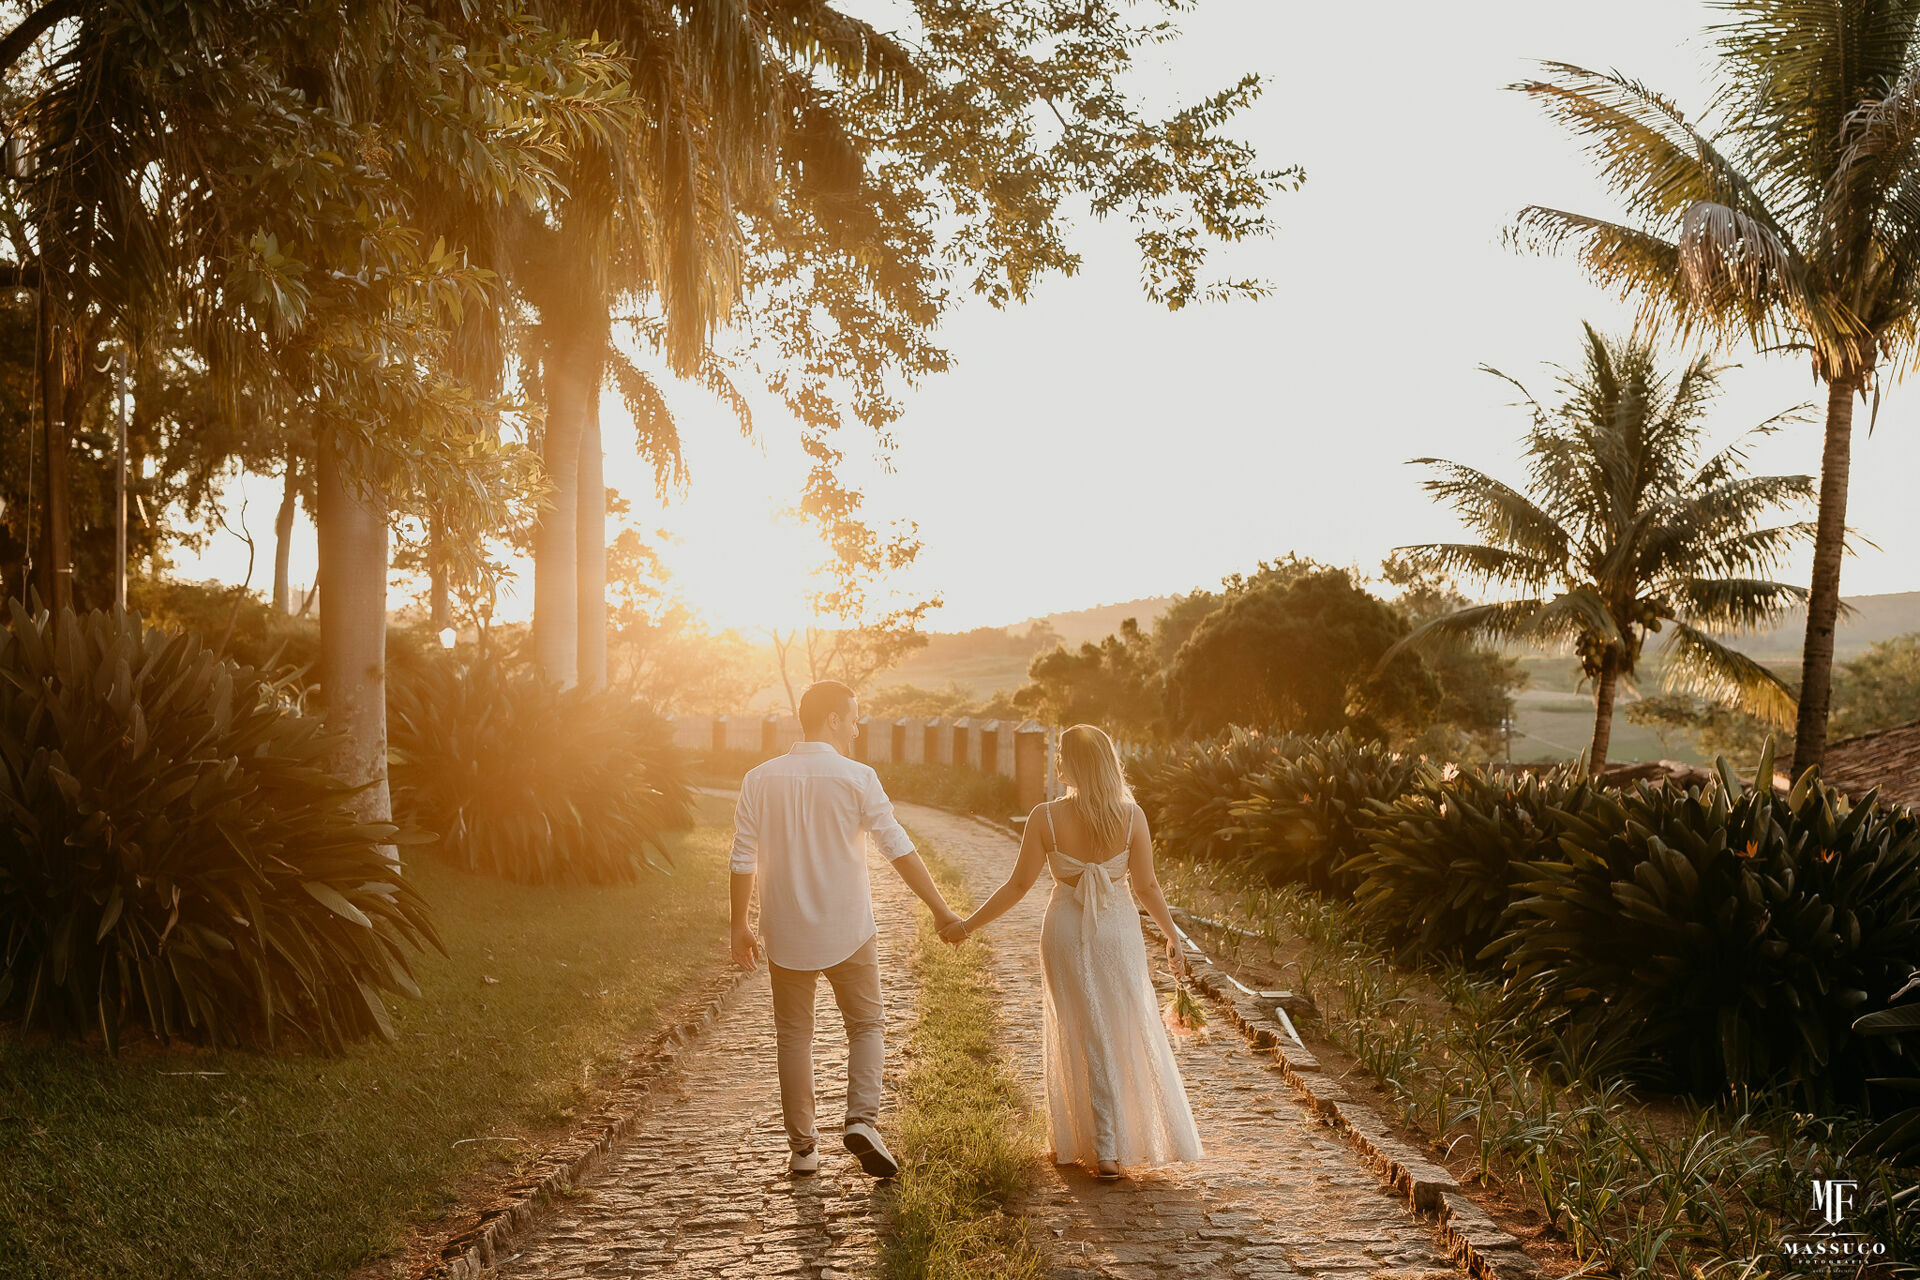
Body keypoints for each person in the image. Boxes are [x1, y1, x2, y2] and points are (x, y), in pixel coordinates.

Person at [943, 722, 1203, 1179]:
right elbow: (1147, 886)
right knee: (1120, 1027)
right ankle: (1113, 1142)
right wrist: (1171, 934)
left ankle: (1099, 1145)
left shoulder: (1044, 817)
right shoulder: (1132, 816)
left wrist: (968, 926)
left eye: (1061, 753)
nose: (1057, 761)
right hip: (1118, 931)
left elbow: (1018, 885)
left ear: (1074, 763)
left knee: (1083, 1030)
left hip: (1064, 928)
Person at [729, 680, 964, 1179]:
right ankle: (861, 1120)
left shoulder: (759, 778)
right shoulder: (858, 777)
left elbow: (742, 855)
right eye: (853, 718)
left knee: (793, 1036)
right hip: (849, 930)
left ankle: (803, 1151)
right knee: (867, 1026)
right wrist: (941, 910)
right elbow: (897, 847)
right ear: (833, 718)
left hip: (785, 931)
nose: (857, 728)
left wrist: (738, 924)